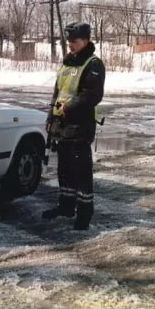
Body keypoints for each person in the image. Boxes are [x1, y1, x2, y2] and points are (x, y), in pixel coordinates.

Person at [43, 22, 106, 230]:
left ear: (86, 41)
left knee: (81, 172)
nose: (71, 45)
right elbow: (57, 91)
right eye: (69, 41)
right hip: (61, 125)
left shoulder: (93, 64)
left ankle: (84, 212)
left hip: (80, 125)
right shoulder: (68, 63)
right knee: (64, 169)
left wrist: (68, 108)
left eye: (75, 41)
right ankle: (66, 206)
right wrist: (51, 116)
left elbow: (92, 95)